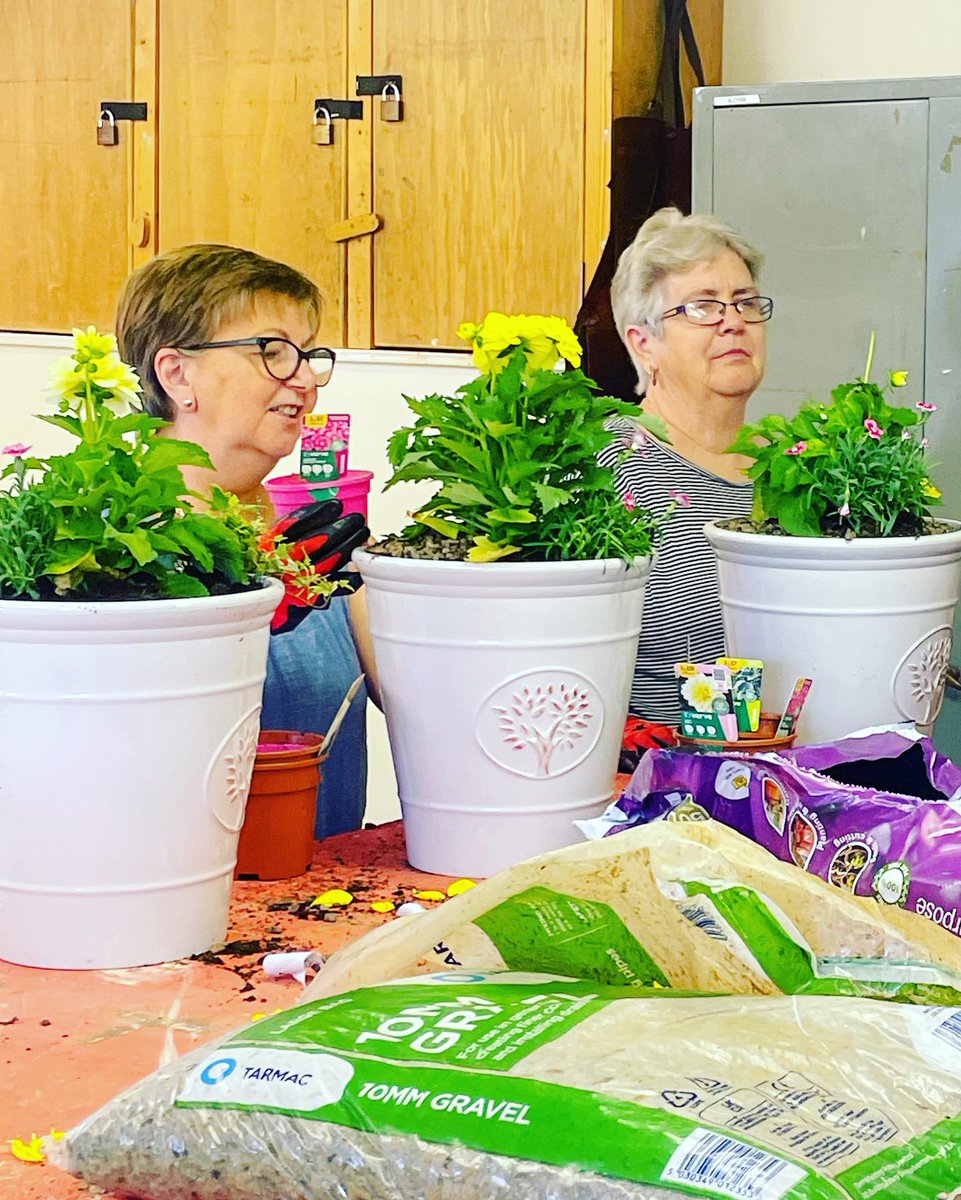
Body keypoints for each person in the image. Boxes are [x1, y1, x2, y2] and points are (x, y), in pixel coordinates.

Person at [115, 244, 379, 838]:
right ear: (177, 374)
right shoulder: (110, 543)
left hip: (325, 884)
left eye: (308, 355)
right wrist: (243, 621)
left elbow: (423, 705)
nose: (304, 379)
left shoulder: (314, 542)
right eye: (272, 352)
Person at [600, 207, 773, 723]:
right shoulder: (609, 463)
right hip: (651, 766)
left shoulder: (795, 466)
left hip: (796, 757)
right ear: (644, 343)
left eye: (745, 302)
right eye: (703, 307)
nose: (733, 322)